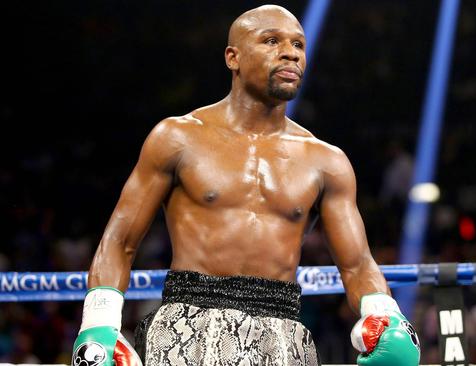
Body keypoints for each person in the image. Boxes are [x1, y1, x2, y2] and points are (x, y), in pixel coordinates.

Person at [71, 5, 420, 366]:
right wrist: (99, 322)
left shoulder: (326, 161)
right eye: (272, 40)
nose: (291, 53)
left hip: (283, 334)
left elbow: (357, 264)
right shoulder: (177, 138)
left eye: (298, 44)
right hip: (187, 326)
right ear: (232, 58)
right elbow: (120, 240)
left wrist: (387, 315)